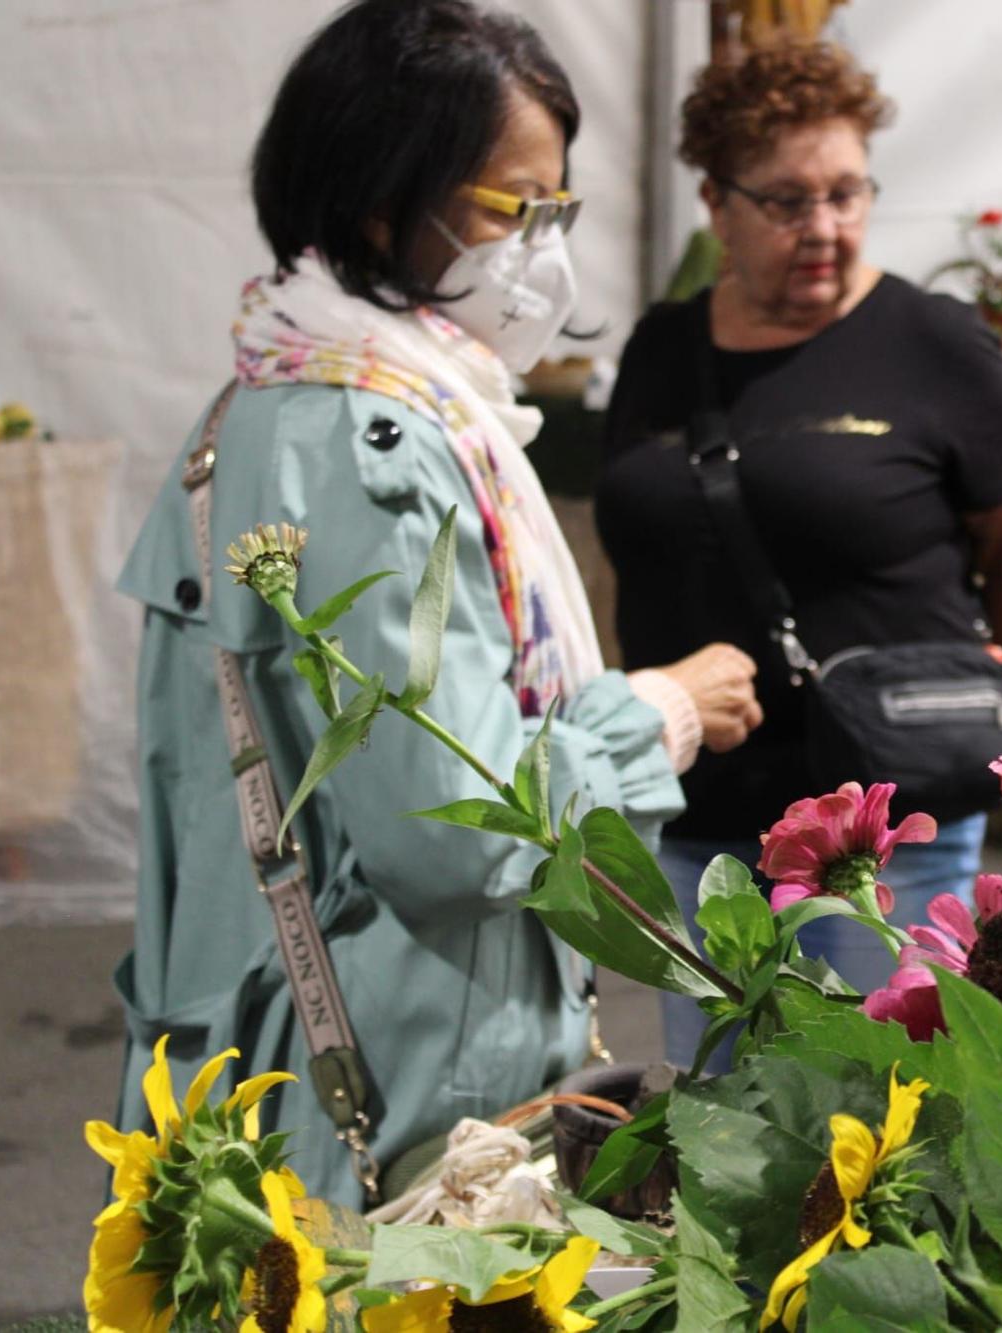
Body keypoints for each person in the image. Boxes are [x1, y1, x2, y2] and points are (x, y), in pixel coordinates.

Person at [112, 0, 758, 1205]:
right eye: (512, 207)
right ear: (379, 202)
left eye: (555, 206)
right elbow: (452, 830)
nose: (543, 252)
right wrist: (652, 713)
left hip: (252, 1075)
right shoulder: (375, 443)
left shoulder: (250, 409)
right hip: (396, 1096)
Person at [595, 40, 1002, 1066]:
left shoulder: (934, 344)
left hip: (882, 832)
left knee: (895, 1102)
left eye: (848, 194)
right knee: (729, 1122)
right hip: (702, 816)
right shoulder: (662, 351)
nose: (827, 229)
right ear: (715, 203)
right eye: (789, 202)